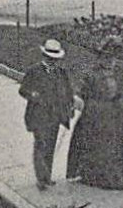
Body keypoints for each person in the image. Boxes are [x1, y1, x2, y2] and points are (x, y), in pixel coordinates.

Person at [66, 44, 123, 190]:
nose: (109, 61)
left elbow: (121, 94)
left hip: (112, 113)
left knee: (112, 145)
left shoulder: (118, 75)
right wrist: (77, 99)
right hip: (94, 112)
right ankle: (93, 176)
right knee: (94, 143)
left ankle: (112, 176)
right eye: (105, 57)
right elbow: (81, 91)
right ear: (100, 59)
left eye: (111, 58)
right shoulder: (91, 74)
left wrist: (121, 111)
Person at [19, 39, 78, 191]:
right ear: (44, 56)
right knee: (41, 144)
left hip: (55, 115)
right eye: (50, 58)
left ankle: (47, 176)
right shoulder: (34, 71)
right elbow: (23, 89)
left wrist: (70, 107)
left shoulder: (61, 73)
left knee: (50, 145)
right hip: (39, 114)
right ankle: (41, 177)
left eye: (55, 59)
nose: (52, 62)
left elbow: (68, 92)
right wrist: (33, 94)